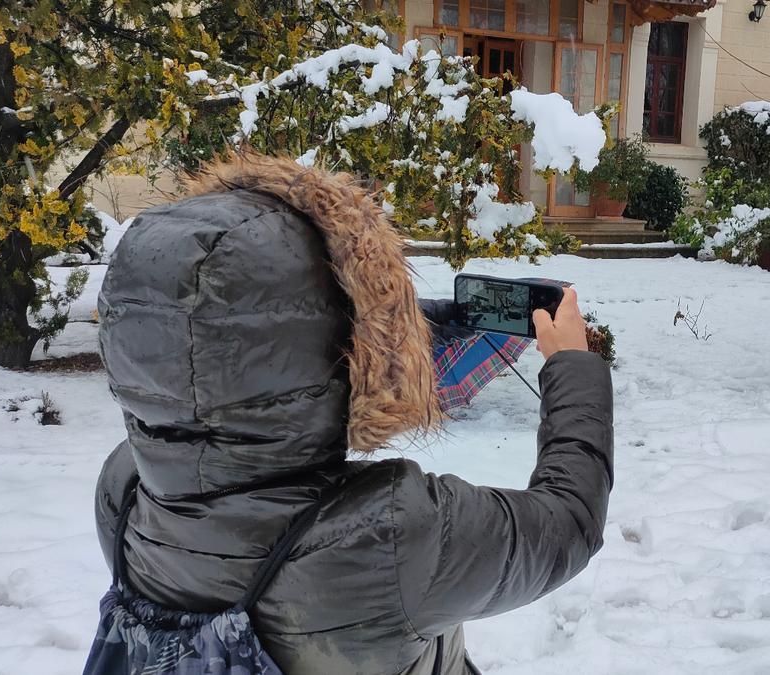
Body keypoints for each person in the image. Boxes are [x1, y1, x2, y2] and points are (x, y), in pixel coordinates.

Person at [92, 153, 614, 674]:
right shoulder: (390, 534)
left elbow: (243, 348)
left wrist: (408, 324)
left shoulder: (124, 493)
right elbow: (568, 521)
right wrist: (572, 366)